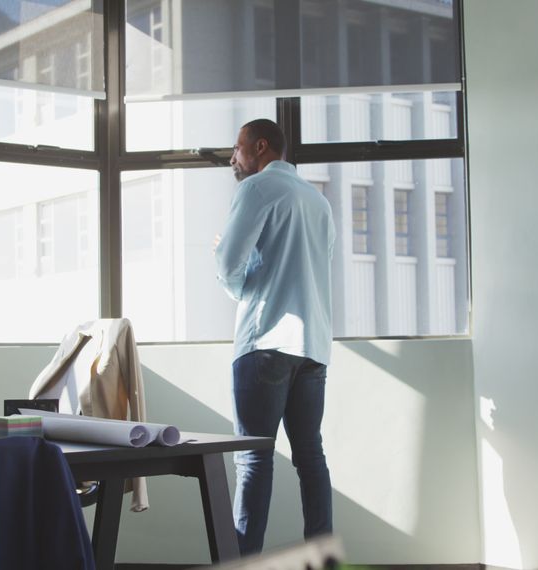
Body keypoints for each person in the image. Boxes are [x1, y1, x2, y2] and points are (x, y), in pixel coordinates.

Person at [214, 118, 335, 554]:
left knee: (253, 460)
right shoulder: (318, 202)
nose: (233, 158)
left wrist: (225, 260)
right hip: (314, 348)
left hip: (265, 342)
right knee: (310, 458)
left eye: (237, 147)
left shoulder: (256, 189)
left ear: (260, 147)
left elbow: (229, 268)